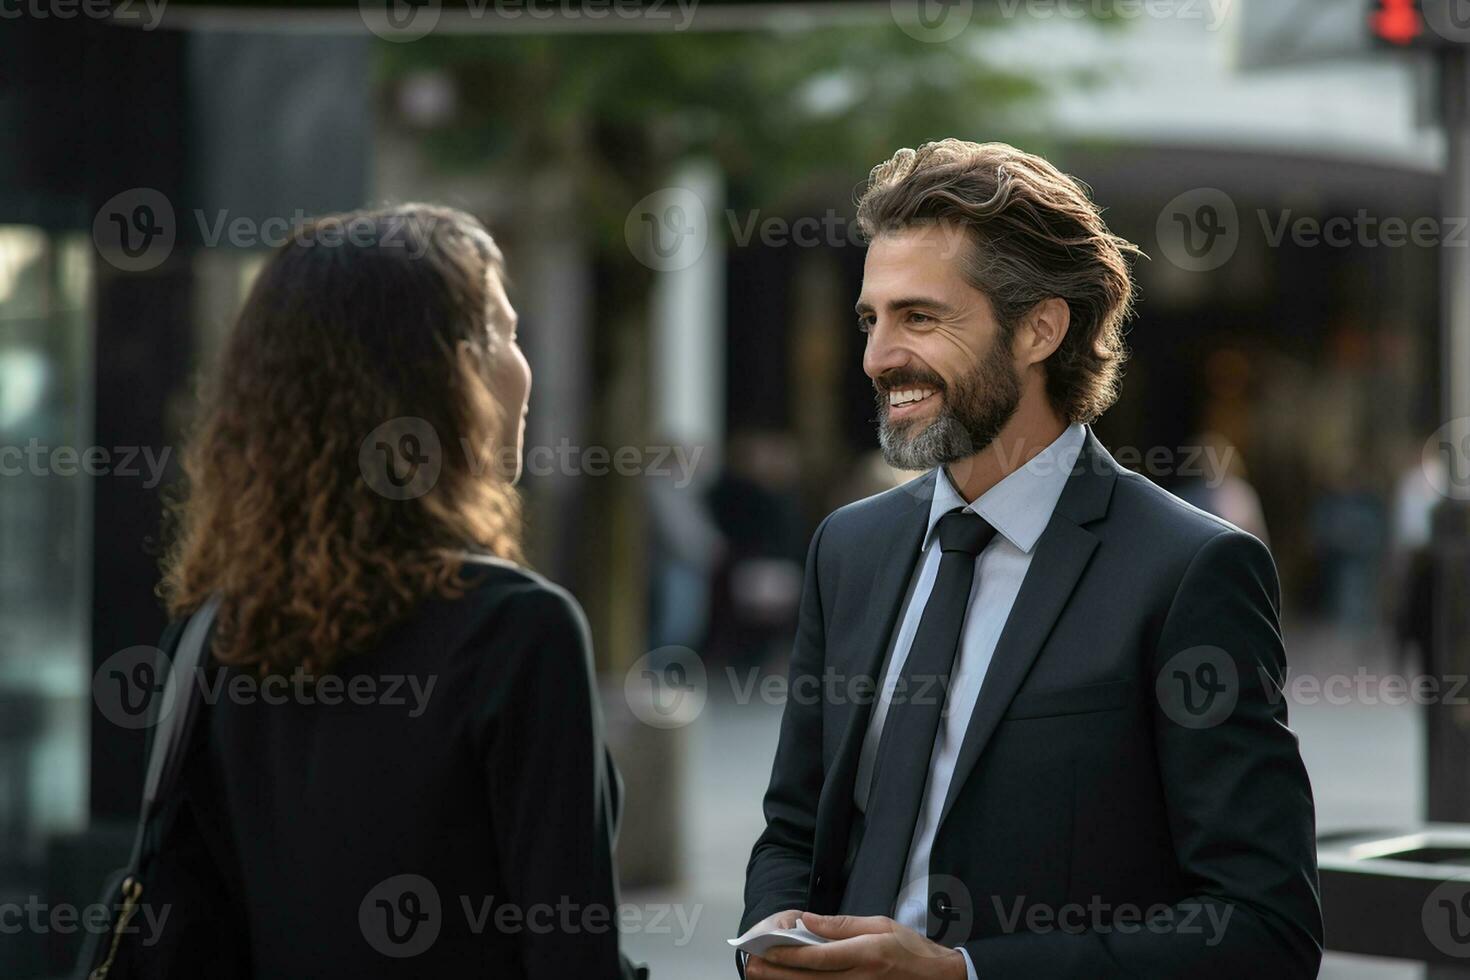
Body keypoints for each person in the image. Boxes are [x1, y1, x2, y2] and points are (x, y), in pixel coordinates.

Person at [739, 142, 1322, 979]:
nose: (877, 358)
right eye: (872, 319)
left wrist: (965, 973)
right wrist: (774, 941)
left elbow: (1263, 928)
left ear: (1040, 328)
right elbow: (795, 829)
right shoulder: (850, 548)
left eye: (921, 317)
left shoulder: (1191, 570)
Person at [152, 205, 637, 978]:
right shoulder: (518, 631)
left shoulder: (209, 632)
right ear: (445, 378)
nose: (522, 365)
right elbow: (573, 958)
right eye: (504, 335)